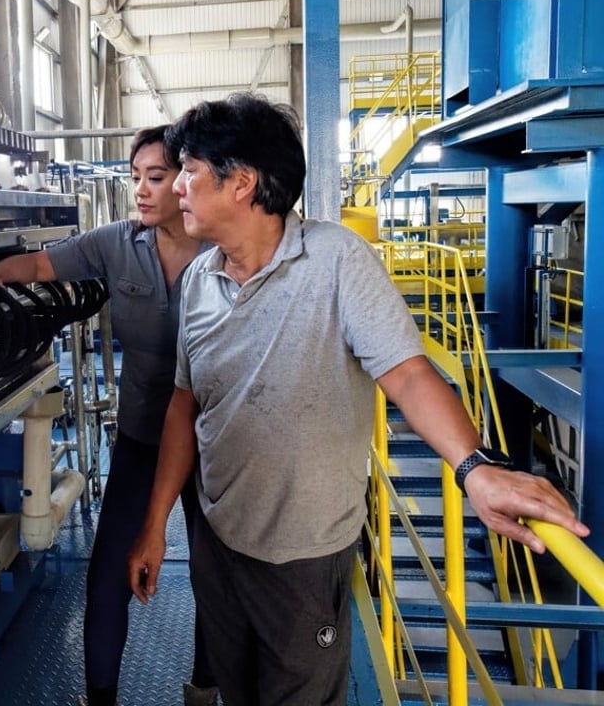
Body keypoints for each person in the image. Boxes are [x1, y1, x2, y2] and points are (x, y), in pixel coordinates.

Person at [126, 93, 590, 706]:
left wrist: (475, 469)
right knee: (235, 688)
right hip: (217, 538)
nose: (177, 187)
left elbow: (408, 375)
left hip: (305, 553)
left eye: (187, 170)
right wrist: (156, 526)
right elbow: (186, 406)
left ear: (241, 182)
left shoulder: (338, 260)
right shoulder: (199, 282)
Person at [0, 126, 218, 706]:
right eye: (134, 178)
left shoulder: (224, 249)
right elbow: (39, 268)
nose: (140, 190)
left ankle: (206, 690)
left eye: (155, 178)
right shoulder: (117, 243)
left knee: (217, 577)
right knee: (108, 571)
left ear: (188, 180)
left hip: (217, 439)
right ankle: (101, 699)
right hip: (142, 435)